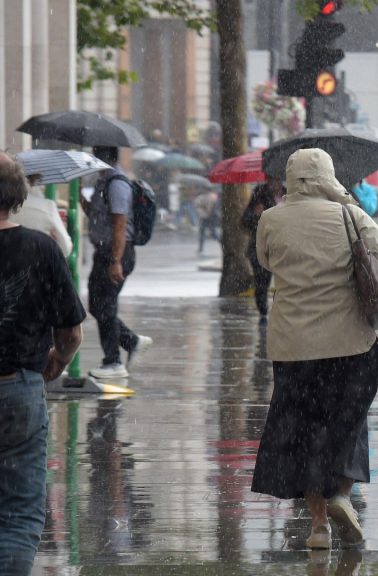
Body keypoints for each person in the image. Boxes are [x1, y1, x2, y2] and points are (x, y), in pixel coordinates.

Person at [250, 148, 378, 550]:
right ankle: (340, 493)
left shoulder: (270, 219)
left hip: (292, 345)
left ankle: (318, 525)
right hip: (349, 343)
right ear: (328, 178)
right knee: (349, 420)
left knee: (303, 428)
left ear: (289, 178)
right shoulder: (348, 214)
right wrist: (345, 200)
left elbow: (265, 262)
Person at [0, 152, 86, 575]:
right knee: (18, 512)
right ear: (17, 196)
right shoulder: (41, 249)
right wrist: (57, 363)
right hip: (19, 386)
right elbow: (70, 332)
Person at [82, 146, 152, 380]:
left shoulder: (117, 184)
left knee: (105, 306)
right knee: (97, 305)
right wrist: (81, 200)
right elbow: (99, 215)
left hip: (115, 254)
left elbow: (120, 225)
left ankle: (112, 361)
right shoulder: (104, 182)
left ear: (103, 159)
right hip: (104, 253)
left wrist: (115, 260)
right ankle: (131, 342)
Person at [241, 178, 281, 322]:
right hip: (261, 246)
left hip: (284, 246)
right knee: (262, 280)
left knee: (285, 281)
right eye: (271, 180)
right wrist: (258, 215)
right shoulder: (260, 193)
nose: (274, 184)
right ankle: (263, 310)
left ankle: (280, 311)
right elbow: (245, 220)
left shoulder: (289, 194)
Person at [8, 174, 72, 257]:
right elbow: (66, 247)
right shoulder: (47, 207)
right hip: (38, 263)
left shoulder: (5, 207)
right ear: (33, 179)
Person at [194, 187, 220, 254]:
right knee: (207, 233)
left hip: (207, 217)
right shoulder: (211, 197)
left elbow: (203, 207)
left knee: (211, 233)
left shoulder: (208, 197)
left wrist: (204, 212)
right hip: (208, 217)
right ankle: (200, 248)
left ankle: (223, 243)